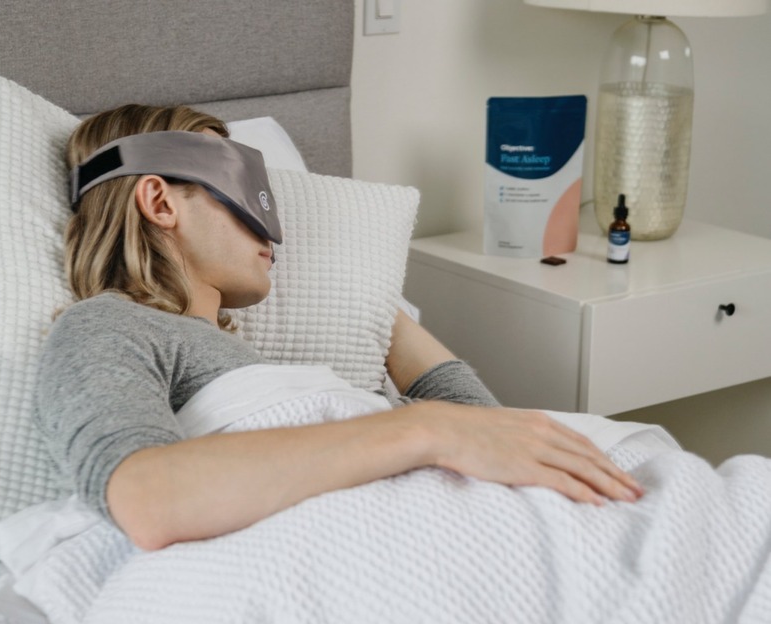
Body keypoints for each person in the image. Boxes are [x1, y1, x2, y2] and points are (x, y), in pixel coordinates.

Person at [34, 104, 643, 552]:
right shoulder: (107, 324)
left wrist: (372, 300)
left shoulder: (258, 364)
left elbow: (486, 431)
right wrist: (423, 430)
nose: (271, 228)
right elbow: (144, 496)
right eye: (240, 190)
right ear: (160, 202)